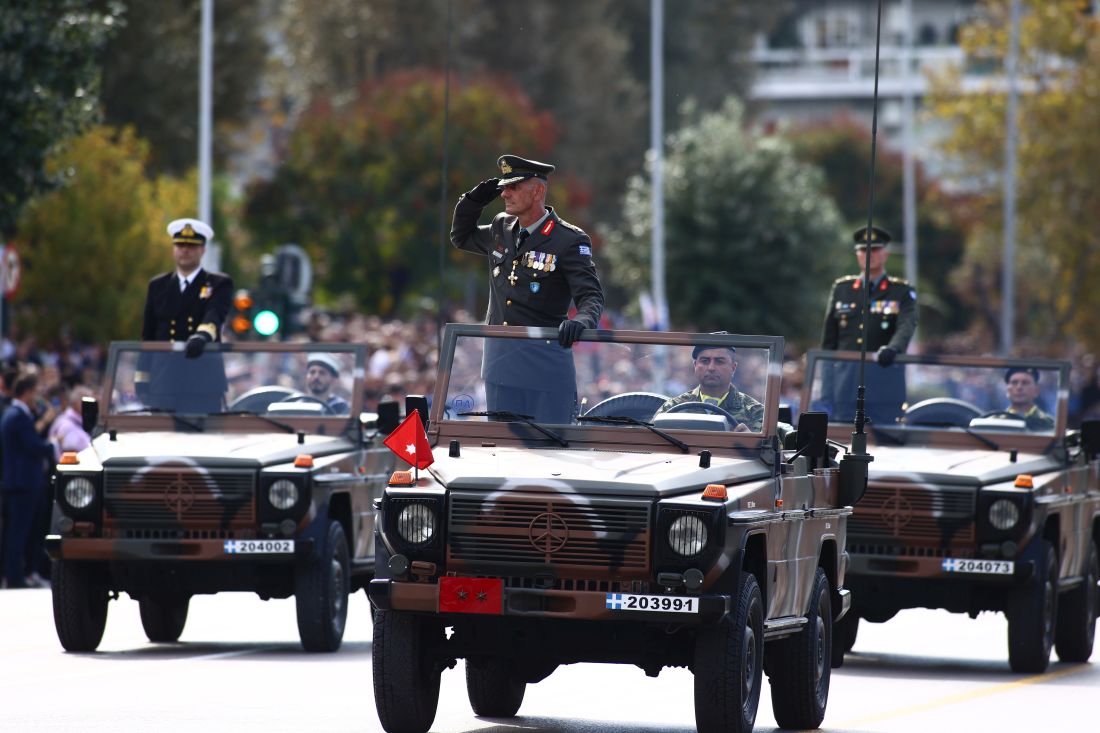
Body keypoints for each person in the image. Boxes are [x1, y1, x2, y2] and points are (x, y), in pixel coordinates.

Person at [451, 155, 604, 423]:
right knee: (504, 453)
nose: (504, 194)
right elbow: (461, 237)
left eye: (514, 187)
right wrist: (473, 200)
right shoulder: (501, 226)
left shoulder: (568, 239)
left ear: (538, 191)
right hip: (501, 366)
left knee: (553, 452)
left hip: (545, 368)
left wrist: (581, 320)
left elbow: (590, 295)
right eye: (503, 188)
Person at [820, 226, 916, 425]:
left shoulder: (900, 292)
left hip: (884, 388)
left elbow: (907, 325)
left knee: (888, 448)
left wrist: (893, 348)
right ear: (857, 254)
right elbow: (829, 346)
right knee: (842, 446)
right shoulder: (842, 289)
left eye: (875, 249)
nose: (869, 254)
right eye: (864, 250)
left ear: (885, 254)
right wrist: (827, 394)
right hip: (845, 390)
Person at [135, 218, 233, 413]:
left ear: (202, 250)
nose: (185, 250)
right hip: (164, 381)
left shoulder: (217, 284)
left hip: (202, 380)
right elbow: (149, 336)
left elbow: (214, 314)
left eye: (191, 246)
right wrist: (142, 377)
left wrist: (202, 336)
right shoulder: (158, 286)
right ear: (173, 249)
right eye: (180, 245)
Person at [1, 374, 58, 588]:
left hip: (19, 482)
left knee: (18, 532)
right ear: (26, 392)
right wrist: (53, 445)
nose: (38, 397)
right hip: (23, 483)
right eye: (35, 392)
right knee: (18, 532)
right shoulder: (18, 416)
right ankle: (15, 576)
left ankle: (17, 573)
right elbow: (33, 446)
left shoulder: (15, 414)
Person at [656, 344, 764, 432]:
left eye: (719, 361)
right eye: (705, 361)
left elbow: (772, 453)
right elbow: (649, 443)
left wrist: (752, 442)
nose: (711, 368)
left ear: (733, 367)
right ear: (695, 366)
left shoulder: (755, 412)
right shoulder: (673, 408)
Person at [49, 385, 94, 453]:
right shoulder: (66, 424)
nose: (89, 405)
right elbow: (69, 452)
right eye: (85, 401)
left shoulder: (82, 422)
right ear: (75, 402)